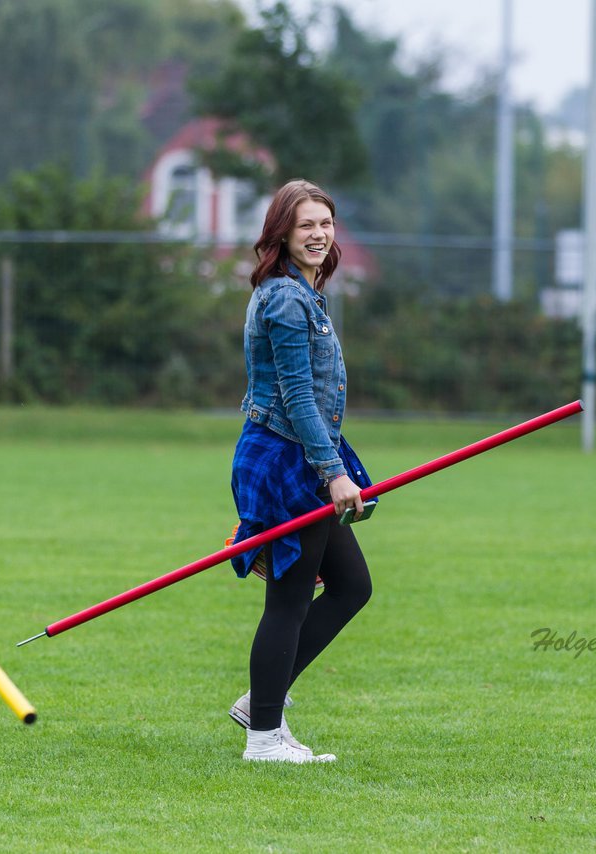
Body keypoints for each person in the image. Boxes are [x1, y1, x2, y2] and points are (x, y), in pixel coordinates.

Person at [228, 179, 374, 764]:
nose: (318, 234)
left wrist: (332, 466)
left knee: (351, 586)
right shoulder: (287, 299)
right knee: (288, 601)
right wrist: (333, 472)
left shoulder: (301, 293)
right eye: (306, 225)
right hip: (287, 456)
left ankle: (262, 704)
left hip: (300, 451)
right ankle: (264, 737)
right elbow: (296, 396)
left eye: (326, 224)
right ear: (282, 232)